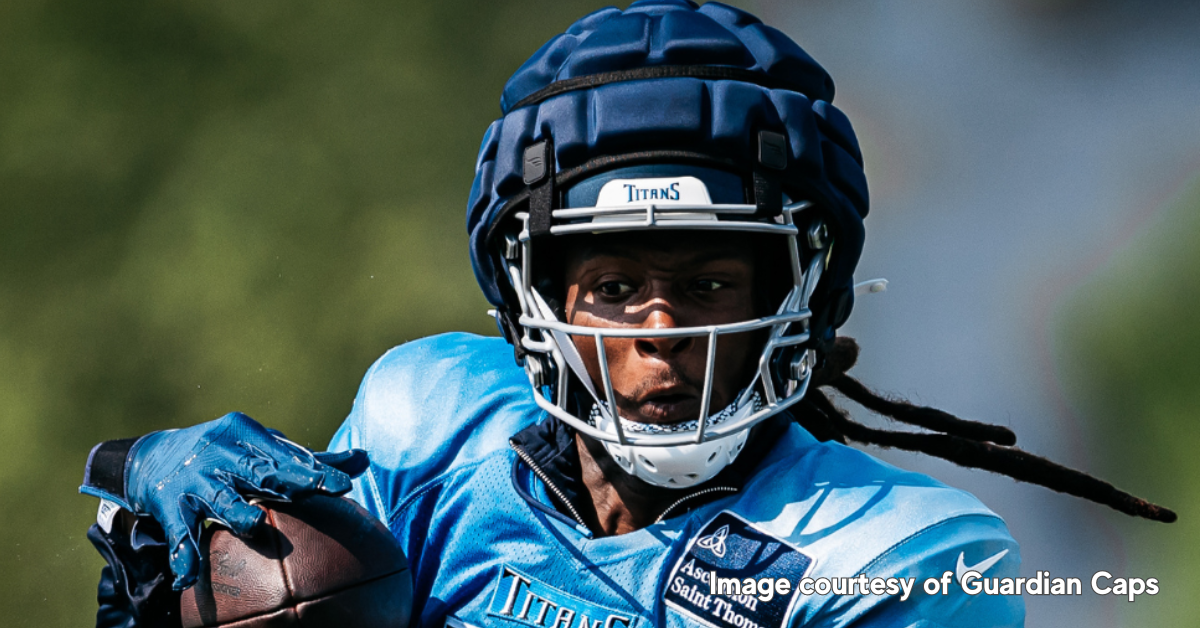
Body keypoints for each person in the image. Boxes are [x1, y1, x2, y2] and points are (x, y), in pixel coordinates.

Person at [78, 2, 1174, 627]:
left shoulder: (903, 558)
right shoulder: (430, 421)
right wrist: (178, 570)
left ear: (799, 296)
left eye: (709, 284)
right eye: (611, 287)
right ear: (533, 299)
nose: (660, 327)